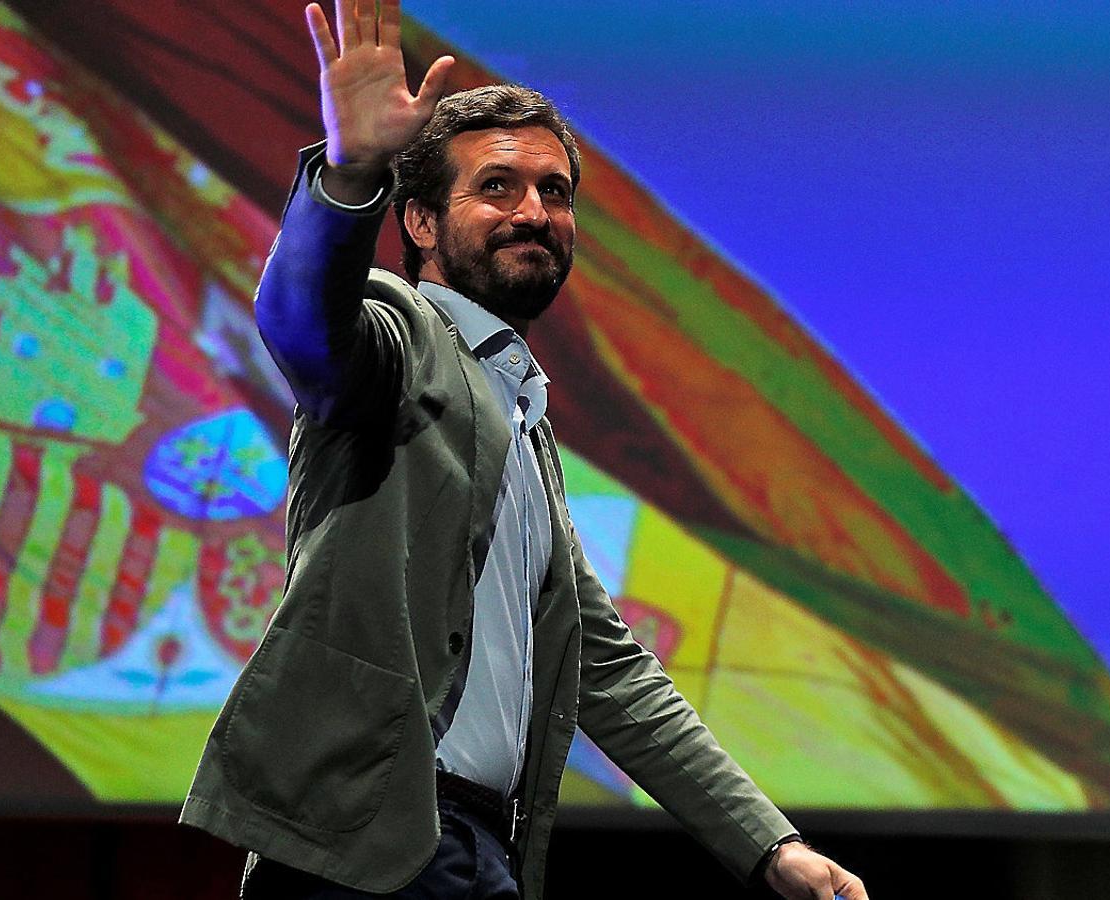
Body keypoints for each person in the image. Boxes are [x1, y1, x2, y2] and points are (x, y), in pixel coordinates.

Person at [179, 2, 871, 899]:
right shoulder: (400, 336)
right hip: (366, 850)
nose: (535, 211)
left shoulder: (521, 416)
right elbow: (305, 327)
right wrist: (351, 172)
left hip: (474, 850)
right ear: (421, 222)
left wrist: (771, 848)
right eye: (498, 187)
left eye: (555, 191)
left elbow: (610, 672)